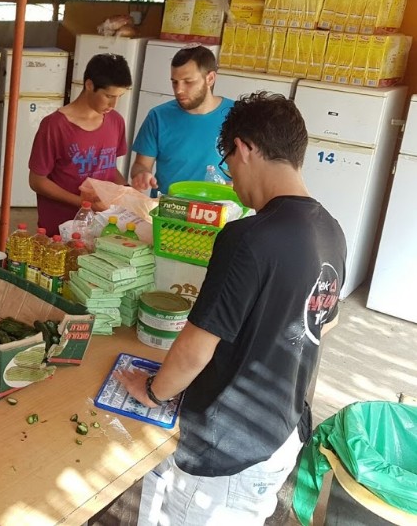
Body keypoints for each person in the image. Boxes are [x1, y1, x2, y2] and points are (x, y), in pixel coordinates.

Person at [117, 92, 346, 525]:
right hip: (281, 432)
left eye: (227, 164)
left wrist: (151, 391)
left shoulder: (248, 238)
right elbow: (324, 322)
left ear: (244, 148)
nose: (231, 180)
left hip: (227, 448)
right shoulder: (331, 230)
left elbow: (193, 350)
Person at [28, 52, 131, 235]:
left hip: (104, 225)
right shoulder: (54, 126)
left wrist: (127, 193)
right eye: (109, 96)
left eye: (119, 96)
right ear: (89, 85)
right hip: (61, 228)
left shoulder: (116, 121)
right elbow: (37, 181)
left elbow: (108, 167)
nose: (114, 104)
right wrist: (83, 203)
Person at [130, 45, 233, 195]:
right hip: (168, 211)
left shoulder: (236, 115)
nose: (179, 90)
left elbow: (254, 169)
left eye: (188, 82)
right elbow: (140, 165)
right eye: (174, 82)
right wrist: (141, 174)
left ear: (210, 78)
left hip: (219, 211)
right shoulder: (158, 117)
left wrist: (238, 185)